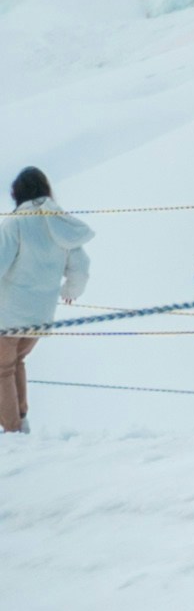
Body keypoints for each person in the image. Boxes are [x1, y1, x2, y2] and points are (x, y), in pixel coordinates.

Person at [0, 163, 84, 432]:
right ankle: (20, 419)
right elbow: (80, 265)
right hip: (40, 317)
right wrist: (70, 290)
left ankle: (12, 429)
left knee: (2, 370)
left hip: (8, 314)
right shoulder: (60, 223)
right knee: (15, 364)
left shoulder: (15, 224)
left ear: (17, 194)